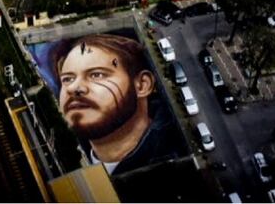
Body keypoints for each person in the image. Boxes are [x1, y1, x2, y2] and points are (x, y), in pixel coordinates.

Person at [49, 33, 183, 175]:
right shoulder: (62, 157)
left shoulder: (175, 161)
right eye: (68, 79)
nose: (74, 88)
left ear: (142, 85)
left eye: (97, 75)